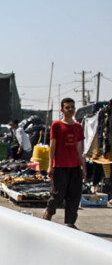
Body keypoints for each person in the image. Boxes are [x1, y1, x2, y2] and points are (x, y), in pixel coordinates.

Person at [43, 98, 85, 229]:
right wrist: (50, 165)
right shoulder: (56, 125)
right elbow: (53, 146)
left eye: (72, 107)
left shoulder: (78, 127)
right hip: (60, 166)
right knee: (57, 194)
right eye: (67, 107)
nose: (70, 109)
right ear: (62, 110)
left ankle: (70, 222)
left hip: (75, 166)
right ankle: (49, 213)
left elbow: (79, 148)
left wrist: (83, 166)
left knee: (74, 195)